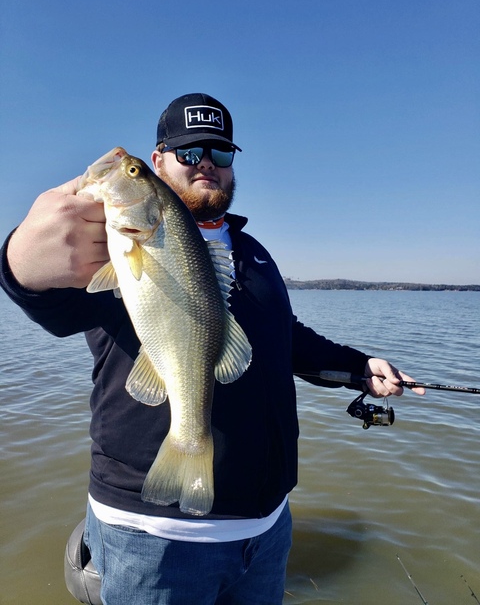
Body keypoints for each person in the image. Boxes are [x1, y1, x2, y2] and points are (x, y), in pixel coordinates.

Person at [0, 93, 425, 605]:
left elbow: (285, 339)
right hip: (153, 538)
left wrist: (360, 368)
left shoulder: (251, 251)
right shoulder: (109, 242)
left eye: (221, 154)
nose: (207, 164)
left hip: (267, 529)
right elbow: (50, 300)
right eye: (190, 151)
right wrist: (18, 261)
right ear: (156, 163)